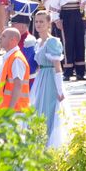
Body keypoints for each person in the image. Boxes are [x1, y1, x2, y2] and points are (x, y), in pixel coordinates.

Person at [43, 0, 86, 81]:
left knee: (80, 41)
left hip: (79, 12)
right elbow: (55, 2)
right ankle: (67, 70)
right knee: (67, 42)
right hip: (66, 13)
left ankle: (80, 71)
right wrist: (56, 19)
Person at [30, 10, 65, 148]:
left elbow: (57, 67)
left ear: (48, 23)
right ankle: (40, 142)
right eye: (37, 21)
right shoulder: (38, 42)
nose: (38, 24)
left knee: (49, 109)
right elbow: (38, 66)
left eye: (41, 22)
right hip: (41, 79)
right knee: (38, 109)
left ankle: (49, 144)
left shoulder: (52, 42)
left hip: (50, 79)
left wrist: (60, 88)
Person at [0, 28, 30, 113]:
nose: (0, 38)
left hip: (15, 111)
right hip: (7, 109)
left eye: (4, 36)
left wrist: (10, 110)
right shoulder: (10, 57)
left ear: (13, 40)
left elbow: (18, 85)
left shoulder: (16, 59)